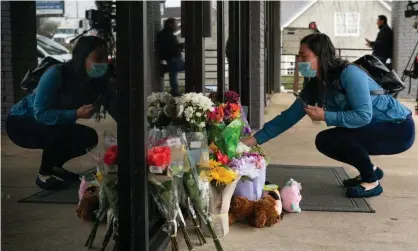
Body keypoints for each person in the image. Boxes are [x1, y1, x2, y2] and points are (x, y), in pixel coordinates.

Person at [242, 33, 415, 198]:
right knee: (326, 139)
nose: (299, 61)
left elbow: (363, 116)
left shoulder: (350, 74)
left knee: (335, 139)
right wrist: (252, 141)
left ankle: (372, 181)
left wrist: (325, 116)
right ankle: (370, 170)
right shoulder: (315, 82)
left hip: (398, 128)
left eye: (304, 56)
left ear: (320, 56)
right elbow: (288, 118)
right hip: (373, 127)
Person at [5, 36, 118, 190]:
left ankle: (54, 167)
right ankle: (44, 174)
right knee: (57, 133)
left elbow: (115, 108)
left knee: (88, 137)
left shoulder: (98, 81)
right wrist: (76, 114)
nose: (104, 62)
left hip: (53, 123)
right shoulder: (56, 74)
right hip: (21, 122)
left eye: (106, 57)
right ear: (82, 57)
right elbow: (40, 113)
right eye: (99, 57)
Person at [156, 18, 184, 97]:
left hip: (170, 57)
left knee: (173, 72)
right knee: (186, 67)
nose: (176, 26)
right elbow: (171, 47)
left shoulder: (166, 33)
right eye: (175, 24)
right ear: (170, 24)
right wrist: (181, 46)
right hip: (173, 57)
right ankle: (167, 68)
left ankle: (174, 90)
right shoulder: (167, 34)